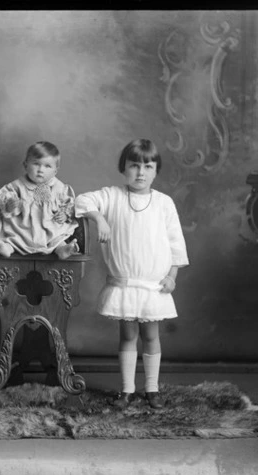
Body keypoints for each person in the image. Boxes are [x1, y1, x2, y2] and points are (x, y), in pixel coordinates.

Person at [74, 139, 189, 409]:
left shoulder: (163, 203)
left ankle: (152, 389)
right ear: (123, 168)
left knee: (151, 336)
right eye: (134, 165)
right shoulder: (112, 196)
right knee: (127, 337)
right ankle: (126, 390)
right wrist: (99, 218)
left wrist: (172, 275)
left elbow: (176, 243)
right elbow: (82, 200)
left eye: (148, 166)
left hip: (153, 286)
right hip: (124, 284)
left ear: (156, 170)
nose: (141, 172)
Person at [0, 141, 79, 259]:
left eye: (47, 166)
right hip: (22, 229)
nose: (41, 169)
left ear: (55, 171)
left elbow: (69, 204)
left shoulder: (60, 188)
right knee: (13, 238)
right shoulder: (17, 185)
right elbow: (1, 196)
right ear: (25, 165)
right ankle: (7, 248)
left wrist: (65, 214)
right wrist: (10, 203)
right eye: (36, 164)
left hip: (50, 229)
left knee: (58, 238)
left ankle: (62, 249)